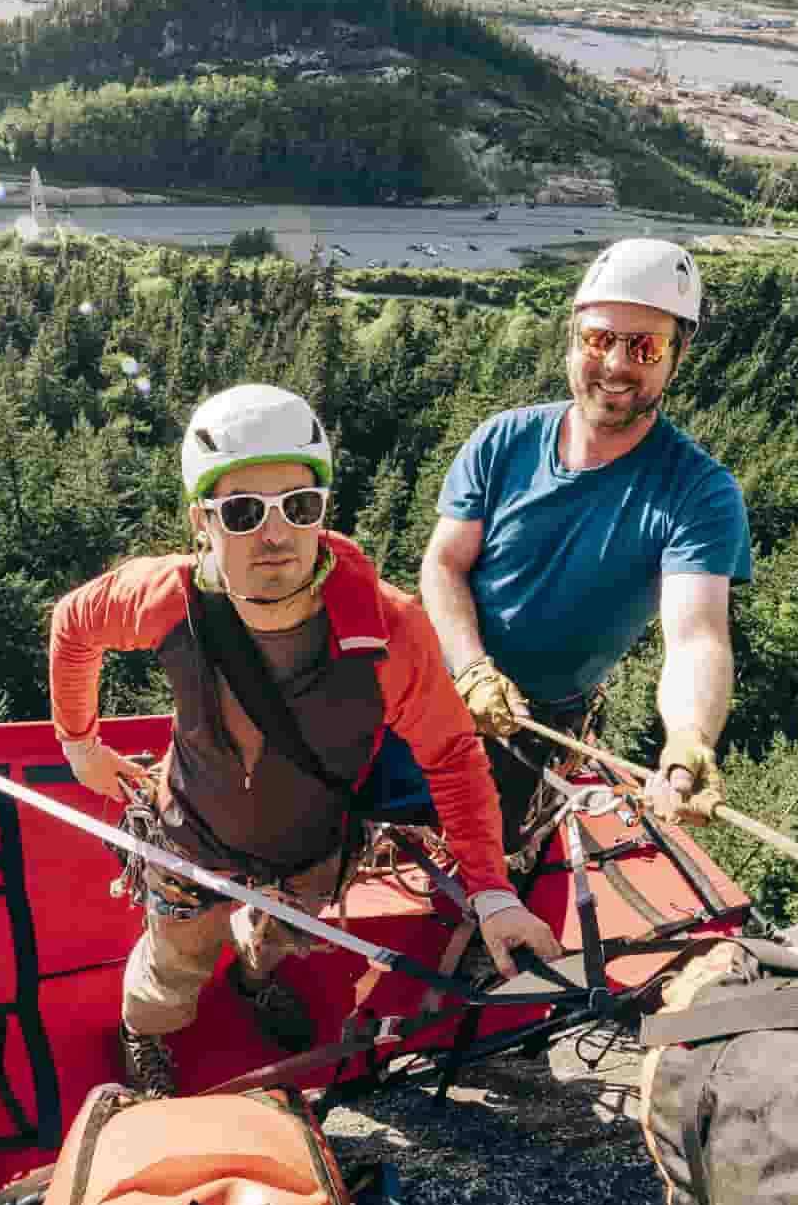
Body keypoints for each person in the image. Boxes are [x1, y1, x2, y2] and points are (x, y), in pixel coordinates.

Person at [50, 383, 561, 1098]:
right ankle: (149, 1029)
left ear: (322, 511)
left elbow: (450, 756)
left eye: (298, 505)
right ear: (203, 523)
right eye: (242, 511)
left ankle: (257, 979)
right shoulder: (165, 597)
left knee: (277, 937)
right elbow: (74, 624)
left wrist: (492, 892)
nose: (274, 533)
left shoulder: (388, 629)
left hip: (310, 844)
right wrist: (78, 739)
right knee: (172, 965)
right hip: (192, 831)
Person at [419, 239, 751, 847]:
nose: (617, 366)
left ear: (675, 361)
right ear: (573, 342)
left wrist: (690, 739)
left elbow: (698, 634)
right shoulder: (504, 441)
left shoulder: (697, 493)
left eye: (644, 347)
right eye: (600, 340)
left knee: (483, 858)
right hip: (433, 674)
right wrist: (471, 669)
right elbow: (444, 566)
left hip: (536, 723)